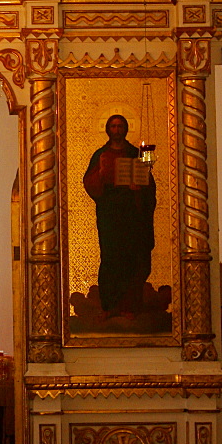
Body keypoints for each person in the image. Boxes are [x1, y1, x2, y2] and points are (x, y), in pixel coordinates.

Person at [83, 115, 156, 317]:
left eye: (120, 126)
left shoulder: (135, 153)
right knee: (111, 257)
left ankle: (129, 305)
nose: (117, 130)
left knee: (133, 258)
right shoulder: (101, 154)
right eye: (113, 126)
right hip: (110, 214)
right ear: (108, 129)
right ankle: (110, 305)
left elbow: (148, 184)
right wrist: (100, 174)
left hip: (132, 215)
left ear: (125, 129)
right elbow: (89, 182)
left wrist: (139, 187)